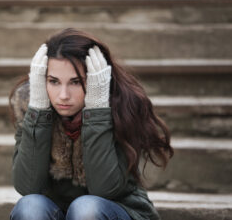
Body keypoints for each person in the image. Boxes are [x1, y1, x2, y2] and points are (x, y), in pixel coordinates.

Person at [9, 28, 174, 220]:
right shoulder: (32, 109)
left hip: (115, 209)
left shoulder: (122, 107)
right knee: (30, 206)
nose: (63, 95)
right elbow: (28, 187)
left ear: (96, 79)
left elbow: (104, 189)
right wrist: (38, 110)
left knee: (86, 209)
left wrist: (97, 111)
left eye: (76, 82)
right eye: (53, 81)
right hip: (53, 211)